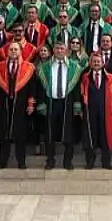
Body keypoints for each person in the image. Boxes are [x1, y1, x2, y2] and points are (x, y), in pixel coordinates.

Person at [37, 42, 82, 170]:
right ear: (53, 51)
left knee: (68, 132)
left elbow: (77, 88)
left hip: (67, 102)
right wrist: (41, 103)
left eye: (62, 48)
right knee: (49, 132)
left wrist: (77, 104)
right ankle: (50, 160)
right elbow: (40, 88)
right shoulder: (45, 67)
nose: (59, 51)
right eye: (57, 48)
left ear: (66, 51)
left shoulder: (74, 67)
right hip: (51, 102)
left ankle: (68, 161)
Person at [0, 42, 37, 169]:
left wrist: (31, 103)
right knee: (3, 134)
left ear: (20, 51)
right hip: (4, 104)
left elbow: (32, 88)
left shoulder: (29, 68)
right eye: (11, 49)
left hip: (21, 104)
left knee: (20, 135)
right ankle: (2, 161)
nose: (13, 51)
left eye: (15, 49)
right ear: (7, 51)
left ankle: (21, 162)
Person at [80, 51, 112, 170]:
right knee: (91, 136)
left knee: (105, 136)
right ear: (90, 63)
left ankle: (106, 162)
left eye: (98, 61)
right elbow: (80, 95)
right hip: (90, 111)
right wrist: (81, 109)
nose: (96, 63)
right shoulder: (85, 77)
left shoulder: (110, 78)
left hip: (106, 111)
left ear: (103, 63)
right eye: (94, 61)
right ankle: (90, 161)